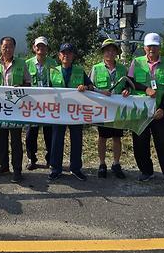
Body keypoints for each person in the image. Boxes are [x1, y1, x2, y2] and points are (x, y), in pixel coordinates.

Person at [123, 32, 164, 191]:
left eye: (155, 46)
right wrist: (145, 88)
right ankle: (146, 171)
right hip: (139, 111)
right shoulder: (136, 62)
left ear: (159, 47)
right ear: (144, 47)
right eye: (149, 46)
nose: (152, 49)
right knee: (140, 142)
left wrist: (162, 108)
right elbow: (130, 82)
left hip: (158, 112)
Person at [48, 43, 110, 182]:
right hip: (58, 111)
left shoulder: (79, 70)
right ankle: (55, 169)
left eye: (69, 53)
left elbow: (91, 86)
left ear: (73, 56)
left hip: (76, 111)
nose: (66, 55)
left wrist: (85, 87)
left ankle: (75, 168)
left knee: (76, 139)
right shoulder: (52, 71)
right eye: (63, 52)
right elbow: (46, 91)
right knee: (57, 140)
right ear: (59, 56)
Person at [0, 36, 32, 183]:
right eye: (5, 46)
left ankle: (17, 170)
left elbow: (28, 84)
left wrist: (20, 89)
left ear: (14, 48)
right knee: (1, 138)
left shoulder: (21, 63)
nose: (7, 49)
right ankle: (3, 166)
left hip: (16, 108)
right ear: (0, 47)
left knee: (16, 140)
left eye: (10, 46)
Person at [89, 39, 135, 179]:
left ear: (116, 52)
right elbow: (90, 87)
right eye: (107, 50)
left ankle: (116, 164)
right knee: (102, 137)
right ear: (103, 52)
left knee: (117, 137)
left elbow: (128, 85)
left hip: (117, 109)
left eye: (112, 50)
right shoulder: (96, 68)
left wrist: (127, 91)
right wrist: (100, 91)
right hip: (101, 109)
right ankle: (102, 164)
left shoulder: (122, 69)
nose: (110, 52)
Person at [24, 36, 57, 170]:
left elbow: (57, 81)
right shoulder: (27, 63)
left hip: (49, 104)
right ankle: (32, 159)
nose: (40, 48)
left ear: (47, 48)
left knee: (49, 133)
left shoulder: (53, 63)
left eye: (43, 46)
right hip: (32, 105)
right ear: (34, 48)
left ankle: (50, 159)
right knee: (31, 133)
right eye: (38, 46)